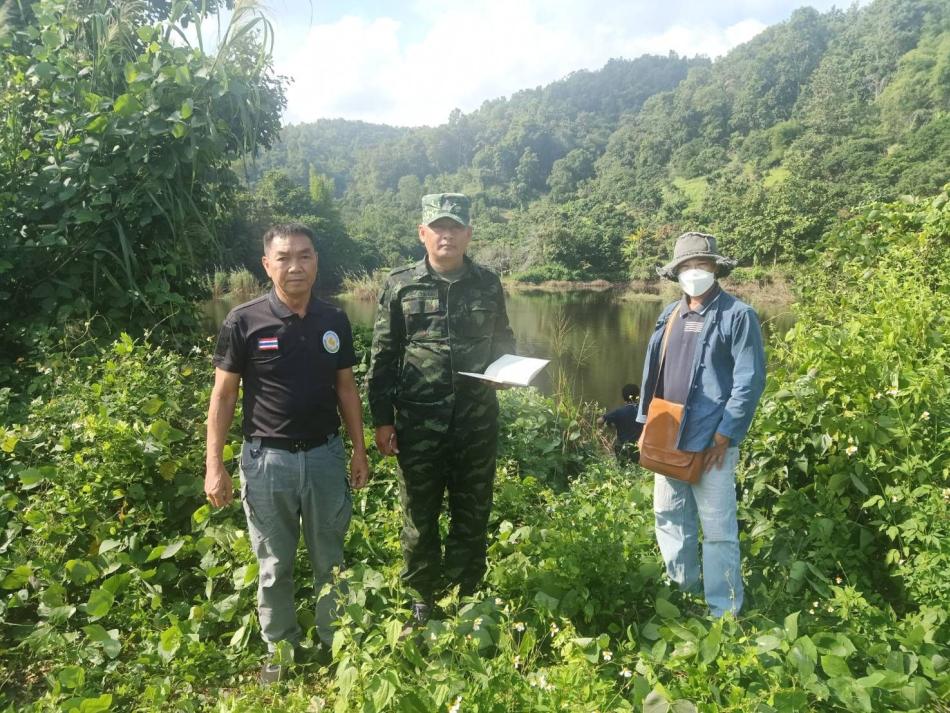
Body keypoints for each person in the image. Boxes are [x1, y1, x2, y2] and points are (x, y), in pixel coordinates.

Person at [204, 223, 370, 683]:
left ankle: (335, 642)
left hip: (324, 456)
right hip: (267, 461)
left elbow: (346, 389)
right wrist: (213, 465)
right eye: (284, 257)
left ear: (317, 261)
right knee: (274, 564)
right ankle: (281, 651)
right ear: (267, 264)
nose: (295, 266)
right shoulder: (244, 320)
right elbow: (223, 397)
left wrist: (359, 450)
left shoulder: (333, 320)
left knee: (329, 559)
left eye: (305, 255)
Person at [367, 193, 515, 630]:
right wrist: (382, 419)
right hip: (418, 423)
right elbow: (383, 356)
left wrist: (508, 368)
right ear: (423, 233)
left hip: (476, 421)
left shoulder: (488, 283)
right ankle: (420, 598)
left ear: (468, 234)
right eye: (437, 227)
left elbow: (503, 339)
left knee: (473, 510)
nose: (446, 234)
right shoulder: (400, 285)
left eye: (454, 227)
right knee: (419, 513)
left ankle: (467, 595)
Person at [637, 232, 766, 617]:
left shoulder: (737, 316)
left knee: (718, 531)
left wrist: (726, 433)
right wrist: (645, 421)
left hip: (712, 439)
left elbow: (749, 380)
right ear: (676, 273)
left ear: (715, 268)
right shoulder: (669, 315)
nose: (695, 272)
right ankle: (683, 592)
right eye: (687, 266)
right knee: (669, 517)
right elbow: (651, 374)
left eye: (702, 265)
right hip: (666, 433)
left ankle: (723, 611)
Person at [598, 383, 643, 463]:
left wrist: (611, 426)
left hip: (623, 451)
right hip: (640, 451)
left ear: (623, 397)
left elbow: (599, 421)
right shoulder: (643, 411)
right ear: (637, 396)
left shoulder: (618, 412)